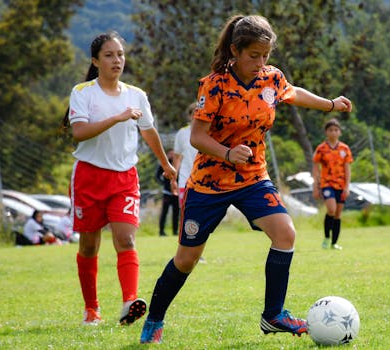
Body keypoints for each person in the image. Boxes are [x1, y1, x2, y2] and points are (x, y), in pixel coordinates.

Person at [140, 15, 352, 344]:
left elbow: (292, 92)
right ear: (236, 51)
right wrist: (226, 153)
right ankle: (154, 319)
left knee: (285, 233)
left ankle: (273, 316)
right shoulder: (213, 85)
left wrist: (330, 105)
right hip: (209, 184)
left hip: (253, 178)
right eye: (254, 55)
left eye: (265, 56)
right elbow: (197, 136)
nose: (260, 63)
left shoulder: (271, 79)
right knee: (186, 259)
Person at [63, 31, 177, 326]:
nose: (117, 60)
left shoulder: (137, 95)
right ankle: (92, 309)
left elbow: (148, 131)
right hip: (88, 175)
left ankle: (129, 303)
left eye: (120, 55)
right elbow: (79, 132)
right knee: (89, 246)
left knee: (126, 240)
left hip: (125, 177)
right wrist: (117, 117)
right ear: (95, 61)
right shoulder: (83, 92)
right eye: (109, 55)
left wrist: (166, 164)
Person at [172, 102, 206, 263]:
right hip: (185, 181)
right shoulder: (182, 134)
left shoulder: (209, 131)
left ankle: (197, 252)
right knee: (187, 217)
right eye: (194, 113)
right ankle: (184, 252)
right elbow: (177, 158)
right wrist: (173, 177)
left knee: (203, 218)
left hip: (205, 181)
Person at [312, 118, 353, 250]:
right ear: (326, 132)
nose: (333, 132)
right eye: (331, 130)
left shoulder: (344, 149)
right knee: (331, 209)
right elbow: (316, 168)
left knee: (337, 214)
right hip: (327, 184)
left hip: (341, 185)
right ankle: (326, 238)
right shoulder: (321, 149)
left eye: (336, 130)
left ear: (340, 132)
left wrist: (347, 187)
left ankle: (334, 243)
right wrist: (316, 187)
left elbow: (347, 169)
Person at [156, 149, 179, 236]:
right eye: (170, 153)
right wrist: (164, 183)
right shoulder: (164, 164)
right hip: (167, 192)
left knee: (176, 213)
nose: (172, 155)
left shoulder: (177, 164)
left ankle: (175, 231)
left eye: (173, 153)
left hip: (176, 193)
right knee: (164, 212)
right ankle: (161, 231)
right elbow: (157, 176)